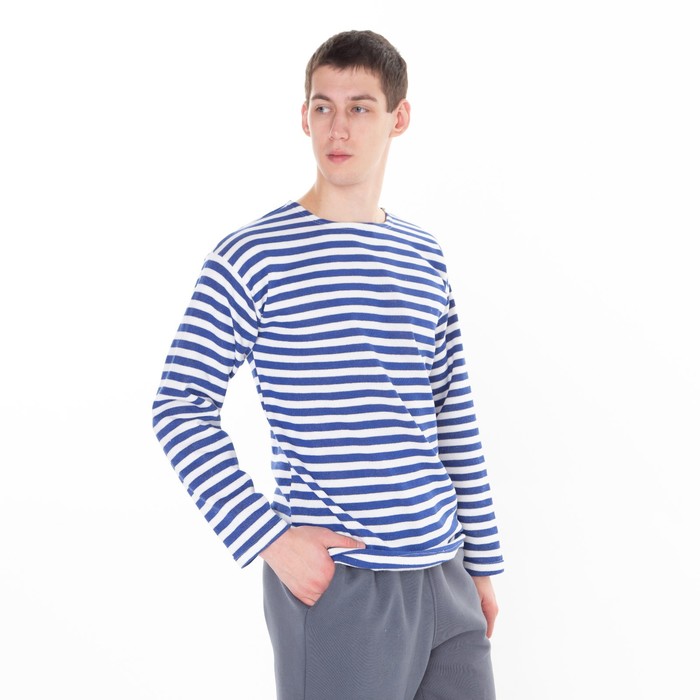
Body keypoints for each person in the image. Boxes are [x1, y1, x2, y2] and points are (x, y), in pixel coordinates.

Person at [152, 29, 504, 700]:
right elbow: (179, 406)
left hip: (446, 576)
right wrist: (269, 537)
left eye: (360, 107)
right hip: (342, 584)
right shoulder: (252, 256)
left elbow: (451, 412)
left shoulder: (423, 255)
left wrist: (480, 564)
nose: (337, 128)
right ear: (304, 115)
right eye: (323, 107)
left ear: (399, 117)